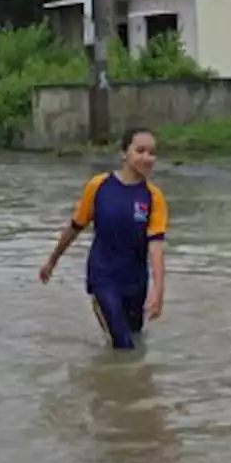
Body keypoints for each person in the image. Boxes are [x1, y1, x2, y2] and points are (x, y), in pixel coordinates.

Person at [39, 127, 168, 350]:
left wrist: (158, 290)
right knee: (124, 345)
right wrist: (52, 260)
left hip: (136, 281)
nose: (148, 158)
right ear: (123, 154)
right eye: (140, 151)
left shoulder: (153, 197)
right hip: (103, 276)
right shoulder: (99, 186)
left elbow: (156, 246)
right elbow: (75, 226)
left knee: (135, 338)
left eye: (152, 152)